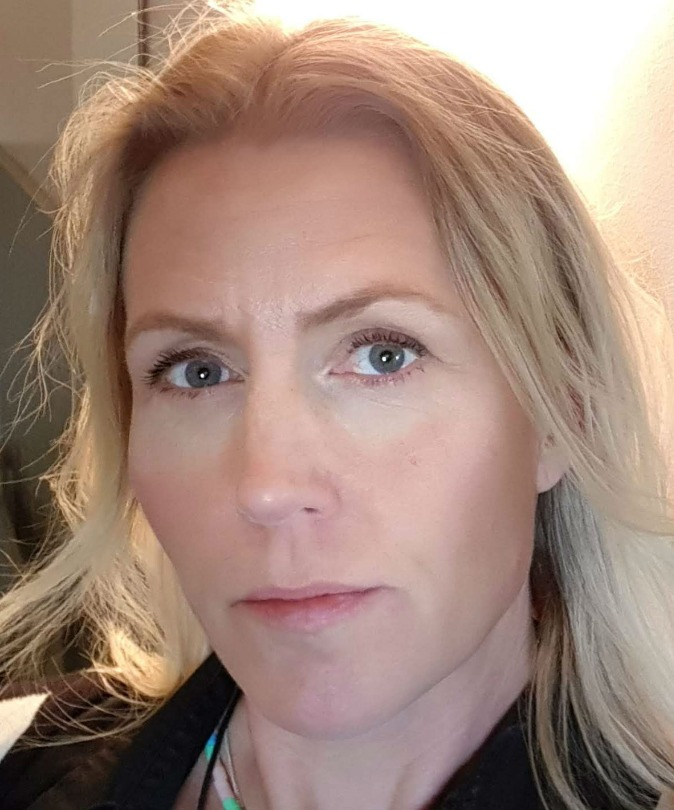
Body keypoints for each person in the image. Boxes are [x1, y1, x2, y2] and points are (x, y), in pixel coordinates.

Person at [1, 2, 673, 809]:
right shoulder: (23, 757)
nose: (267, 487)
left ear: (565, 409)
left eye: (383, 354)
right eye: (197, 372)